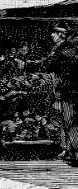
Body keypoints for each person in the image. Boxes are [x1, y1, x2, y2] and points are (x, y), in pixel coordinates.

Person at [38, 20, 78, 165]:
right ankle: (71, 152)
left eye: (54, 32)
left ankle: (76, 153)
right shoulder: (72, 49)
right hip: (71, 90)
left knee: (70, 122)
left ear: (61, 35)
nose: (51, 35)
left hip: (69, 92)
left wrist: (27, 64)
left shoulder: (63, 50)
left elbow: (46, 65)